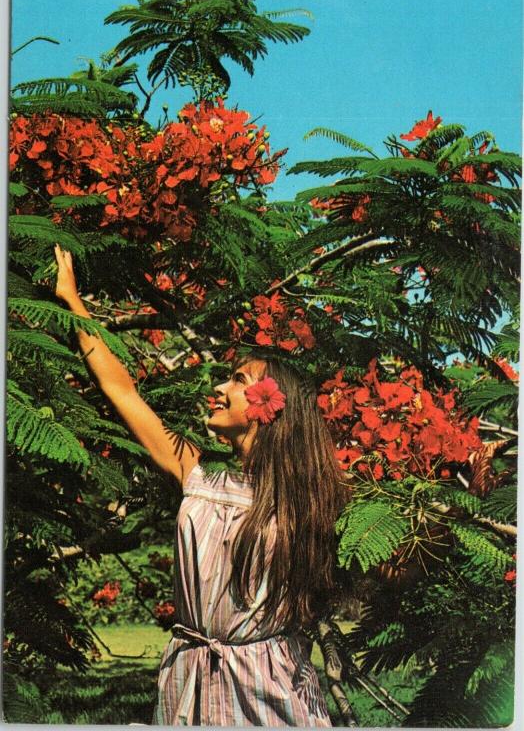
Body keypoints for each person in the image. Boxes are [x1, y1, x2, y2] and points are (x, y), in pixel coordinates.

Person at [53, 243, 346, 727]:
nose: (219, 387)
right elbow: (121, 389)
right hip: (187, 678)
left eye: (237, 379)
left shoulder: (313, 497)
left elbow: (396, 565)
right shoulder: (197, 473)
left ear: (272, 405)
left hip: (267, 686)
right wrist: (73, 303)